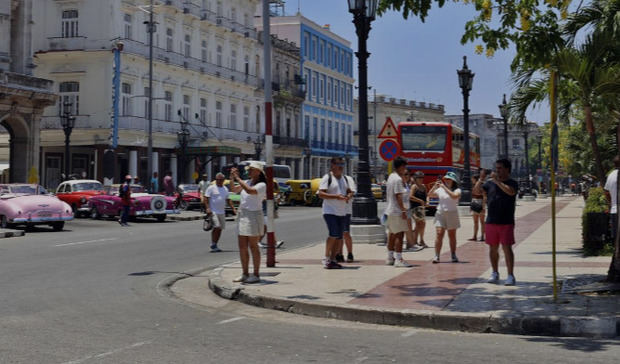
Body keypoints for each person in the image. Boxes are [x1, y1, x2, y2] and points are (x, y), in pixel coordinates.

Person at [229, 162, 266, 283]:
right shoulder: (247, 181)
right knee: (242, 246)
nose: (249, 171)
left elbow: (250, 191)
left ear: (258, 172)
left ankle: (256, 274)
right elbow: (234, 190)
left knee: (253, 246)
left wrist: (238, 178)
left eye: (251, 169)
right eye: (248, 169)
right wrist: (232, 178)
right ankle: (245, 273)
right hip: (243, 214)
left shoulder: (262, 185)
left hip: (254, 215)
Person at [483, 159, 519, 286]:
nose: (497, 170)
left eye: (500, 168)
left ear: (507, 169)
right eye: (496, 168)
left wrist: (497, 181)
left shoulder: (512, 183)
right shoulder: (489, 183)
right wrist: (481, 178)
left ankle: (510, 275)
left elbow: (510, 192)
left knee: (506, 247)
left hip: (506, 221)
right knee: (493, 248)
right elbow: (477, 191)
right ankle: (495, 272)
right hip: (491, 220)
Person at [318, 157, 353, 269]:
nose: (341, 166)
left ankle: (333, 259)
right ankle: (326, 257)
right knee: (333, 233)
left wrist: (348, 196)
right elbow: (321, 194)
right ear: (332, 165)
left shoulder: (344, 179)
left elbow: (349, 190)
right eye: (338, 164)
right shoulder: (327, 178)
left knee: (339, 237)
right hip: (329, 211)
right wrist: (336, 197)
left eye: (343, 164)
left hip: (342, 212)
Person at [384, 157, 413, 267]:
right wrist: (403, 211)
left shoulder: (391, 177)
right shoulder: (398, 179)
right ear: (400, 166)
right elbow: (398, 196)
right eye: (404, 166)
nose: (405, 169)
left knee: (392, 234)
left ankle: (390, 257)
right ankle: (399, 259)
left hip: (390, 210)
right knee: (399, 235)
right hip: (397, 211)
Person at [428, 171, 462, 263]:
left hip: (452, 213)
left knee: (452, 235)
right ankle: (436, 256)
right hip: (440, 213)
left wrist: (444, 188)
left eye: (449, 179)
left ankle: (453, 254)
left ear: (453, 181)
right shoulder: (440, 189)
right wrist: (435, 186)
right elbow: (430, 195)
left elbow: (454, 196)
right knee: (439, 233)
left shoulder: (457, 190)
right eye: (446, 179)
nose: (447, 180)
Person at [205, 173, 236, 253]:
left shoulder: (225, 189)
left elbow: (228, 199)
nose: (219, 181)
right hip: (214, 211)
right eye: (218, 180)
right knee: (217, 227)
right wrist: (208, 208)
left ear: (223, 180)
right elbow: (206, 198)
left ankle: (215, 244)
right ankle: (213, 243)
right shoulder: (211, 188)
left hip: (222, 212)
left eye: (221, 180)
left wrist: (233, 208)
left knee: (220, 229)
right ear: (216, 180)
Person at [335, 172, 357, 262]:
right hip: (334, 210)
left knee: (345, 232)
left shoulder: (348, 179)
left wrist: (347, 197)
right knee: (337, 234)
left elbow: (352, 191)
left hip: (345, 210)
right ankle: (339, 254)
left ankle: (350, 253)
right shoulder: (331, 179)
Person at [409, 171, 428, 249]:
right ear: (415, 179)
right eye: (419, 178)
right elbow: (410, 197)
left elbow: (426, 196)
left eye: (422, 177)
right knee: (418, 224)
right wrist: (420, 201)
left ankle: (421, 240)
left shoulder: (424, 187)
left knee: (423, 224)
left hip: (422, 208)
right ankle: (415, 241)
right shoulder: (414, 186)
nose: (421, 179)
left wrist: (427, 201)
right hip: (415, 208)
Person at [604, 155, 620, 242]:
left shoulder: (611, 175)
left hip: (614, 210)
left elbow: (606, 192)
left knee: (616, 238)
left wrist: (611, 203)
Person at [469, 170, 487, 242]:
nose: (471, 180)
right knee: (475, 222)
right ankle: (475, 236)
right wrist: (471, 206)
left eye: (472, 179)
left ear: (475, 179)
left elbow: (485, 197)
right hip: (474, 205)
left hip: (480, 205)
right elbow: (472, 197)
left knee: (482, 222)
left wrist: (483, 207)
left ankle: (482, 236)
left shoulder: (481, 186)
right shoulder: (474, 186)